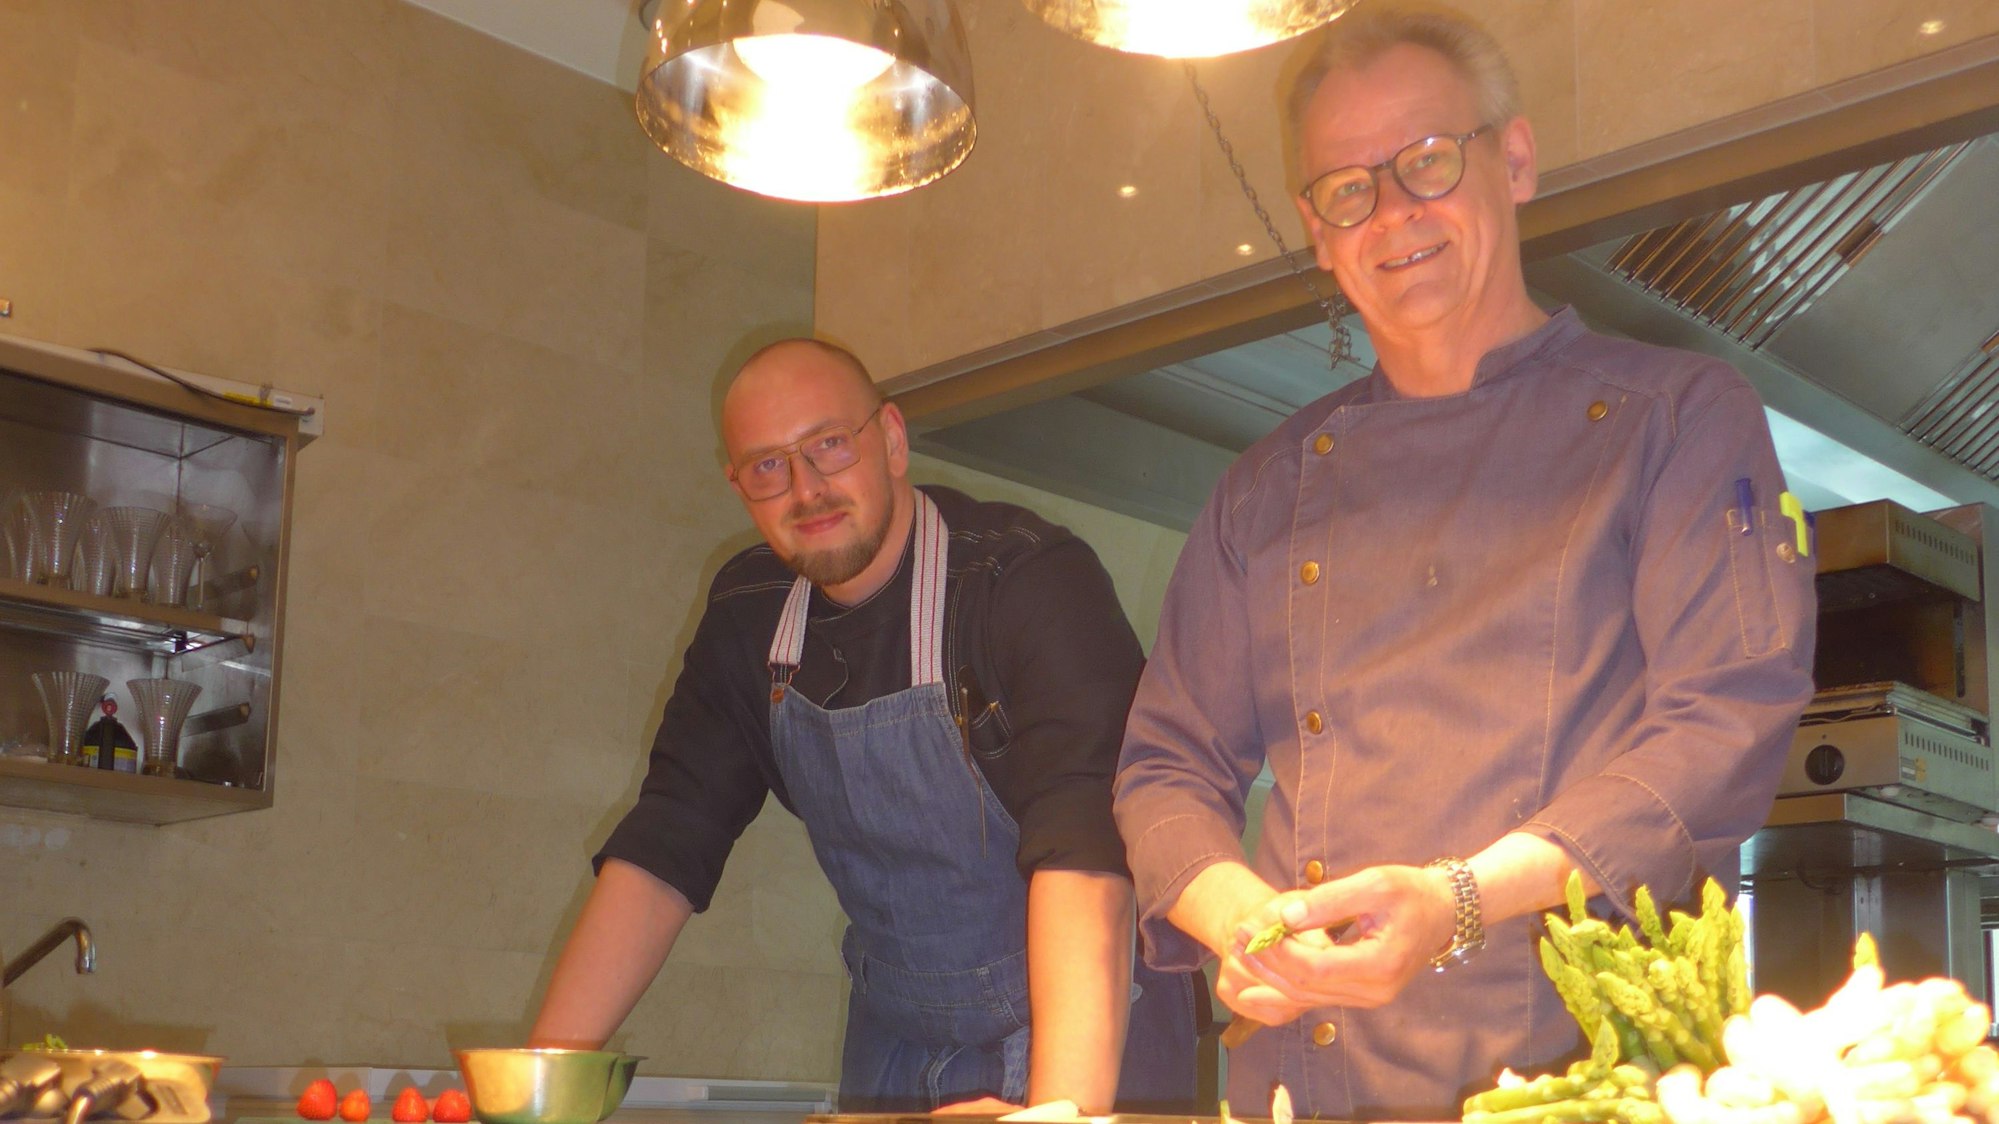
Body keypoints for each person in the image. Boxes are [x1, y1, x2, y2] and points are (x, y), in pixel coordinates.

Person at [1111, 6, 1817, 1119]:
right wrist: (1245, 919)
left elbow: (1724, 718)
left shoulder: (1678, 416)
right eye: (1347, 188)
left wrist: (1461, 901)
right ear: (1316, 225)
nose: (1391, 213)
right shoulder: (1265, 486)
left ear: (1516, 157)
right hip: (1308, 1080)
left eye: (1427, 161)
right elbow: (1164, 766)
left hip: (1585, 1078)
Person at [530, 338, 1197, 1114]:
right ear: (738, 485)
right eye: (767, 466)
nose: (805, 489)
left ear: (890, 438)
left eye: (829, 445)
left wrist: (1057, 1112)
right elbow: (667, 842)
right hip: (896, 1030)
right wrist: (543, 1088)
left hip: (1082, 1015)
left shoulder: (1025, 578)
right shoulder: (748, 617)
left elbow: (1085, 852)